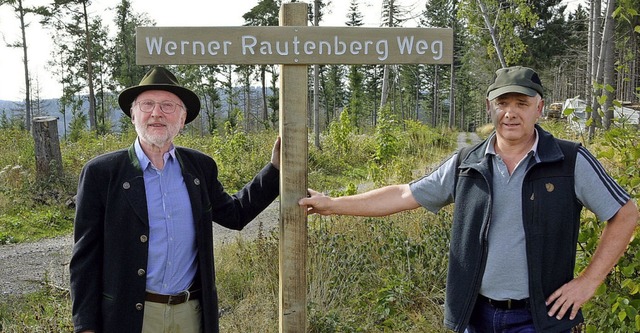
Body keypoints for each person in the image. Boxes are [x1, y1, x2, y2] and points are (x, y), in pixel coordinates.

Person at [299, 66, 638, 333]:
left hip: (540, 317)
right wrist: (333, 204)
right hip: (476, 316)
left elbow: (625, 214)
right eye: (503, 103)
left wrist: (588, 282)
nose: (511, 113)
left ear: (540, 108)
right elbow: (404, 194)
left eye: (522, 103)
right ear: (490, 107)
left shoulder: (569, 160)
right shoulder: (467, 162)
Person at [70, 66, 281, 333]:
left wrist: (275, 170)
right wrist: (86, 326)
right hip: (130, 316)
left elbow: (235, 214)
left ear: (182, 120)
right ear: (133, 115)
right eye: (147, 104)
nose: (156, 113)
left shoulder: (199, 168)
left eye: (168, 106)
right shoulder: (102, 173)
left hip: (191, 314)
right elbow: (85, 258)